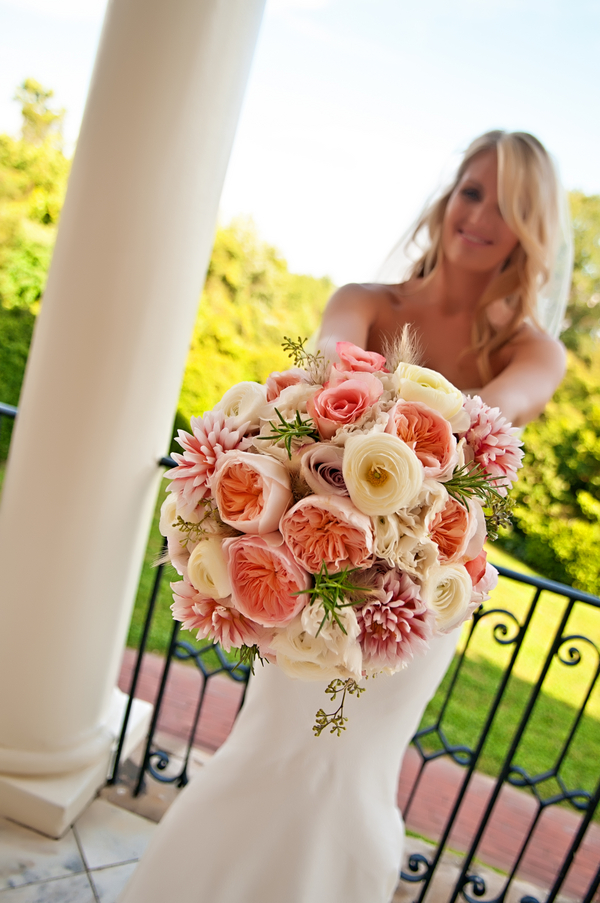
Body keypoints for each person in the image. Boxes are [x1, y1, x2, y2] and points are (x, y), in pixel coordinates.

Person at [119, 130, 571, 903]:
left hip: (423, 588)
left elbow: (487, 421)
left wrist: (384, 435)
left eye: (507, 204)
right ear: (445, 200)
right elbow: (318, 383)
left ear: (530, 229)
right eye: (471, 191)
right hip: (315, 562)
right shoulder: (366, 302)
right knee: (270, 743)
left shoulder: (534, 351)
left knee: (353, 765)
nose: (481, 215)